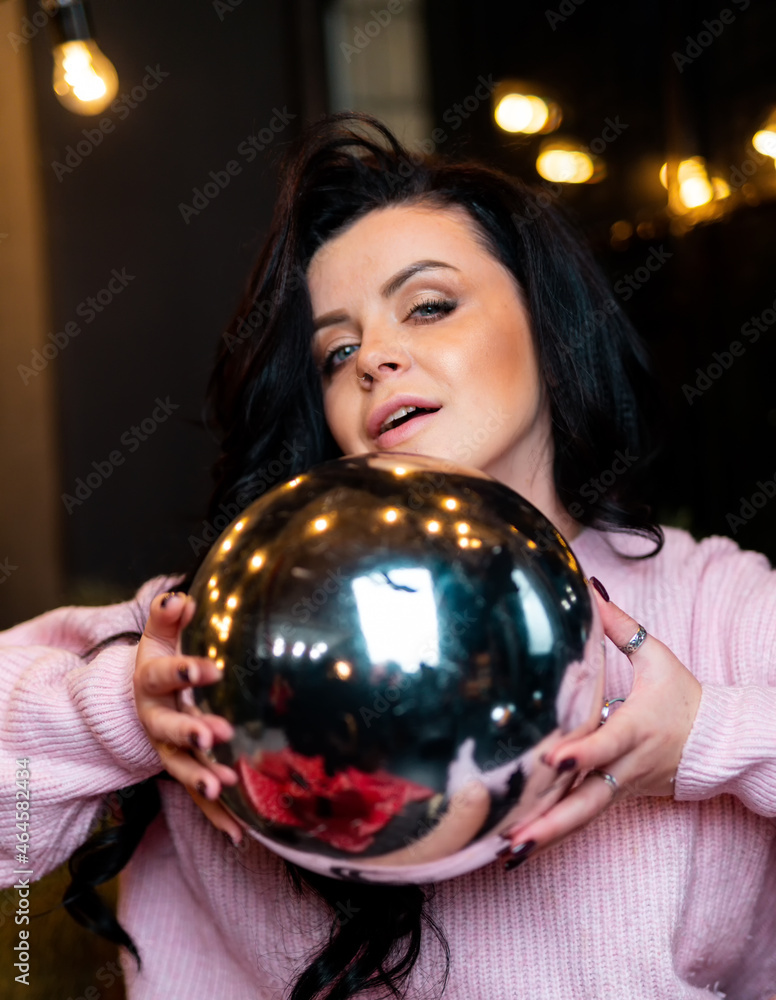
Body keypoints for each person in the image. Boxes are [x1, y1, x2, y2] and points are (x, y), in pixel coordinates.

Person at [2, 112, 775, 1000]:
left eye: (429, 305)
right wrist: (124, 714)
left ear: (549, 331)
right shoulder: (220, 624)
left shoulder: (714, 602)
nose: (371, 357)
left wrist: (706, 739)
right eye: (335, 350)